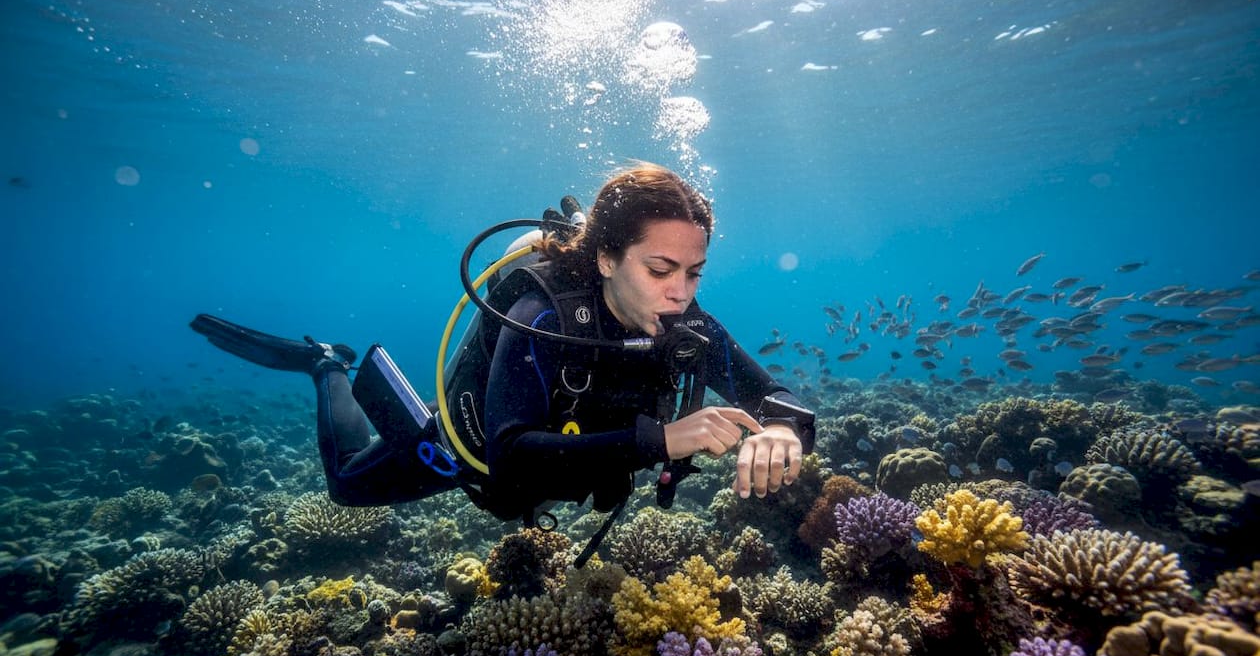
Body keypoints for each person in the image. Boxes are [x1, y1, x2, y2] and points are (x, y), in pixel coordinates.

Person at [191, 162, 814, 530]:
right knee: (349, 487)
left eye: (694, 272)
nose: (680, 293)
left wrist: (784, 431)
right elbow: (512, 453)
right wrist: (665, 439)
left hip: (566, 467)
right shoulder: (539, 311)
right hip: (472, 453)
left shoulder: (687, 324)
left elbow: (778, 399)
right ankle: (326, 363)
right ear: (604, 257)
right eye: (659, 270)